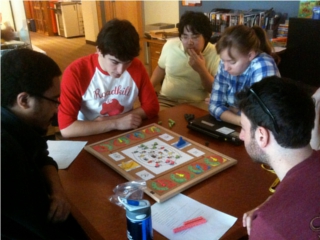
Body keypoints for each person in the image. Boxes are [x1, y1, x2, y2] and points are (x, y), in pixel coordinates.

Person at [1, 49, 87, 239]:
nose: (57, 109)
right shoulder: (5, 155)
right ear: (24, 100)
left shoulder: (21, 125)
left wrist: (58, 190)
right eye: (54, 100)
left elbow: (42, 155)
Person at [237, 76, 320, 239]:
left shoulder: (269, 226)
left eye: (243, 128)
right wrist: (274, 201)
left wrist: (273, 212)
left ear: (262, 136)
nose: (241, 136)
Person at [58, 19, 159, 138]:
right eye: (114, 62)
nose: (121, 70)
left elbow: (152, 107)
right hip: (89, 134)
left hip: (124, 131)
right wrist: (115, 123)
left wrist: (116, 120)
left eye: (127, 62)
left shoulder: (136, 66)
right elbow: (66, 128)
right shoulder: (76, 73)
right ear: (99, 51)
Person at [209, 24, 280, 126]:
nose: (225, 68)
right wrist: (240, 119)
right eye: (223, 61)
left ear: (250, 55)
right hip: (241, 127)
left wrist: (230, 109)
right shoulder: (226, 62)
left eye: (232, 62)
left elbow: (261, 118)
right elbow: (214, 106)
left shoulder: (263, 65)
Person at [150, 11, 220, 111]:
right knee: (155, 121)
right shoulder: (170, 45)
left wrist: (201, 70)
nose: (189, 42)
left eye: (195, 37)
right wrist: (149, 88)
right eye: (185, 36)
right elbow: (160, 69)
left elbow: (215, 90)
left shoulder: (216, 53)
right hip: (166, 100)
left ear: (206, 37)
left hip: (197, 103)